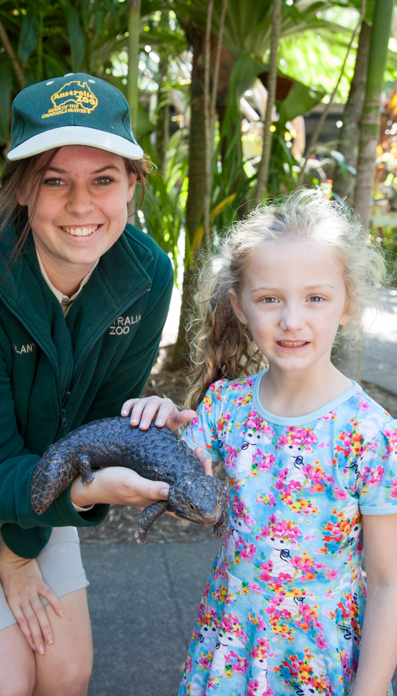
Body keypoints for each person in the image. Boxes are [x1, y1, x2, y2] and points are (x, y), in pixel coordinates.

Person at [0, 72, 193, 696]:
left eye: (103, 178)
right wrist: (18, 555)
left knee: (66, 675)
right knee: (7, 684)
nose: (82, 205)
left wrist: (142, 438)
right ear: (22, 190)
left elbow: (97, 426)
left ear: (132, 184)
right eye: (55, 180)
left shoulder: (147, 272)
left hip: (36, 482)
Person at [169, 190, 397, 695]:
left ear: (347, 305)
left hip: (319, 664)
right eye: (270, 298)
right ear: (240, 307)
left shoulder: (371, 433)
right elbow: (168, 485)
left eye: (315, 298)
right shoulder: (224, 406)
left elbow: (387, 582)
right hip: (230, 653)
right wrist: (156, 420)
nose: (292, 320)